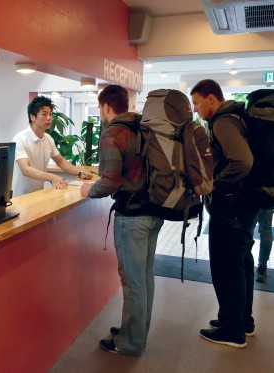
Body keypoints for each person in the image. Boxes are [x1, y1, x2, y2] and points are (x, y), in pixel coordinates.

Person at [80, 85, 164, 356]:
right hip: (154, 211)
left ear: (105, 107)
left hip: (131, 217)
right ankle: (137, 332)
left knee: (133, 282)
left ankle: (130, 343)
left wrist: (88, 190)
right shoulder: (145, 126)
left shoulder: (112, 132)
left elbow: (109, 181)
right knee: (145, 277)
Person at [190, 79, 259, 349]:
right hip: (244, 205)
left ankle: (233, 330)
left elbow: (243, 161)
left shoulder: (223, 122)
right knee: (241, 263)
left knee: (227, 267)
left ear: (210, 98)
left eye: (196, 102)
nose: (195, 109)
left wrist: (217, 183)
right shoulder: (235, 118)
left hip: (231, 205)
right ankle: (242, 320)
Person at [12, 95, 92, 197]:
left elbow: (61, 161)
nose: (49, 118)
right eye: (44, 114)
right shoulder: (20, 139)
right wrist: (51, 177)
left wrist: (80, 173)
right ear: (32, 117)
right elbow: (26, 169)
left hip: (38, 193)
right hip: (20, 196)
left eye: (50, 114)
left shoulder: (48, 138)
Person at [254, 208, 274, 282]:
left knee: (246, 231)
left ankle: (243, 263)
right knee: (266, 233)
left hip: (247, 199)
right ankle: (262, 268)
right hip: (267, 200)